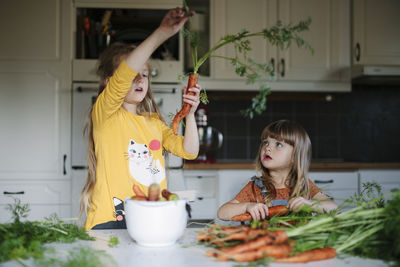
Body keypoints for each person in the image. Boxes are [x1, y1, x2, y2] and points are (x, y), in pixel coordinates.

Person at [80, 7, 200, 230]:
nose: (139, 79)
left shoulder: (154, 123)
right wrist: (162, 33)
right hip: (109, 221)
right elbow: (125, 73)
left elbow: (189, 151)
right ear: (109, 82)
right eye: (131, 76)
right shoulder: (105, 114)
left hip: (151, 219)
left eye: (144, 74)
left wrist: (190, 115)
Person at [217, 120, 337, 221]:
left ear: (295, 156)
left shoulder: (303, 186)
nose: (267, 148)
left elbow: (333, 208)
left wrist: (310, 205)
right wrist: (247, 206)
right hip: (265, 245)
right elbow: (222, 212)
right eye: (265, 142)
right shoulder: (255, 187)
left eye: (278, 144)